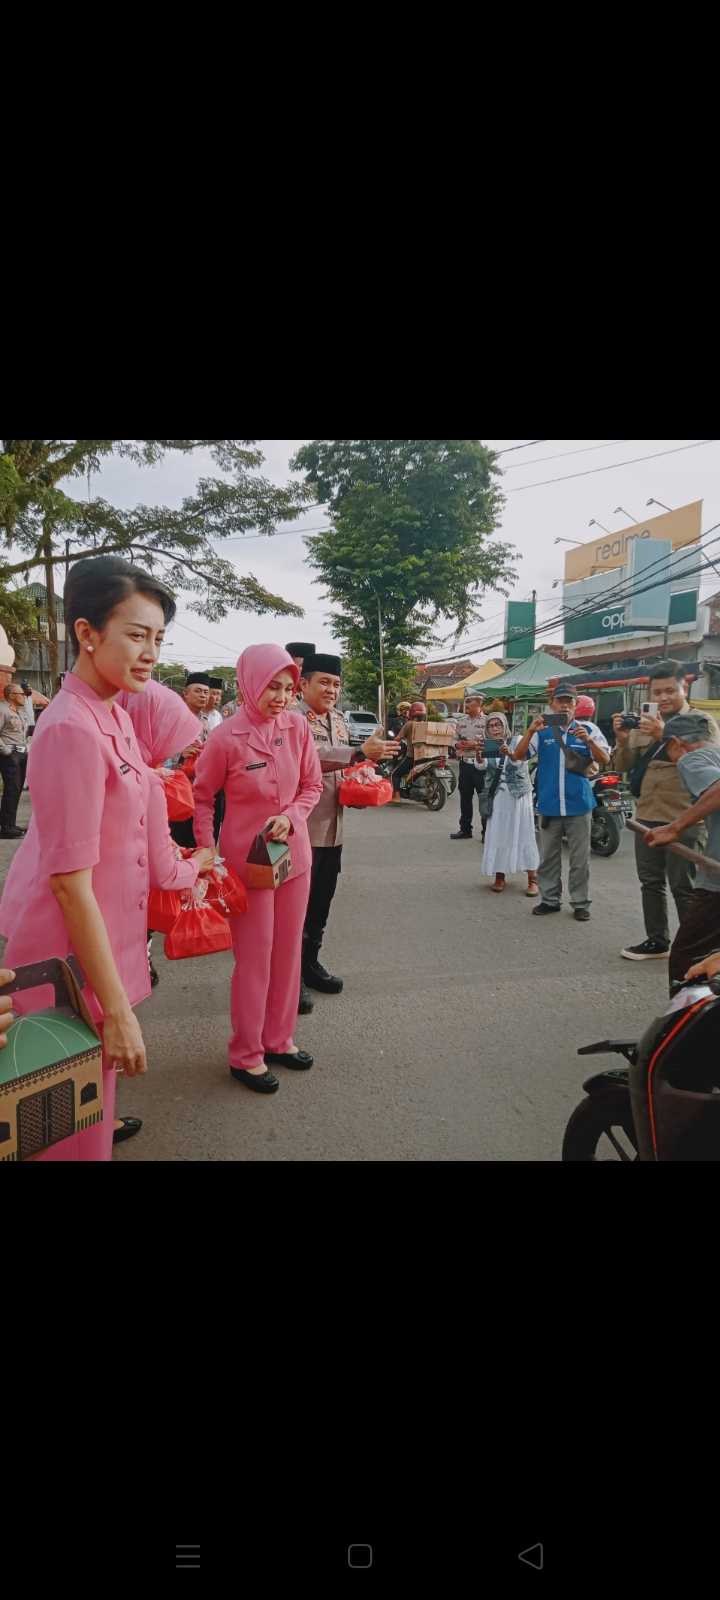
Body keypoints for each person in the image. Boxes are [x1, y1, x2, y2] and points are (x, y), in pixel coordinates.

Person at [0, 555, 214, 1161]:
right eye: (137, 635)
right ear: (87, 634)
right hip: (67, 967)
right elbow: (70, 885)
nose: (151, 653)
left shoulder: (115, 714)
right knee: (62, 1138)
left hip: (104, 958)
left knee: (88, 1124)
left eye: (158, 639)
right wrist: (116, 1011)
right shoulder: (71, 729)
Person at [192, 645, 323, 1094]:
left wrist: (294, 815)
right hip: (244, 866)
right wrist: (207, 853)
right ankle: (246, 1053)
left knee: (289, 953)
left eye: (288, 688)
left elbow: (313, 785)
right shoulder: (225, 737)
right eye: (272, 686)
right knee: (254, 960)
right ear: (249, 683)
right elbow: (202, 798)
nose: (282, 697)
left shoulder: (298, 727)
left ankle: (279, 1039)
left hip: (294, 860)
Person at [296, 654, 400, 1001]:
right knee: (296, 907)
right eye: (324, 682)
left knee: (322, 901)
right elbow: (308, 757)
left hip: (333, 827)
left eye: (337, 684)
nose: (332, 690)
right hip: (300, 827)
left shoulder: (339, 720)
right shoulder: (292, 719)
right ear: (304, 683)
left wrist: (363, 778)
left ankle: (310, 964)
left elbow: (343, 766)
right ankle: (288, 976)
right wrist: (358, 753)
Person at [612, 660, 720, 961]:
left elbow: (707, 764)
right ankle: (657, 940)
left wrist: (664, 735)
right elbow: (622, 767)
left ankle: (696, 948)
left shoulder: (701, 722)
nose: (663, 698)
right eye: (657, 692)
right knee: (650, 882)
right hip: (647, 813)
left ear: (684, 687)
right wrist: (622, 741)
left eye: (670, 690)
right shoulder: (646, 721)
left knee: (685, 887)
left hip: (684, 816)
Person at [510, 682, 610, 922]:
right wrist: (531, 731)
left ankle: (580, 903)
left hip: (579, 805)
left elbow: (605, 758)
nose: (564, 705)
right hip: (549, 804)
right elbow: (518, 756)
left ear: (576, 706)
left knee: (579, 859)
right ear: (552, 704)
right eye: (560, 701)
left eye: (570, 701)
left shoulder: (589, 729)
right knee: (549, 857)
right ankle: (550, 900)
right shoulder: (543, 731)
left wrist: (589, 741)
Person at [643, 715, 720, 986]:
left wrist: (676, 826)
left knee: (687, 958)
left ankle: (688, 1025)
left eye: (670, 754)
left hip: (716, 885)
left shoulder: (693, 758)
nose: (676, 762)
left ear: (676, 743)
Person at [479, 713, 539, 895]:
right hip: (498, 796)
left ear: (505, 725)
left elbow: (521, 760)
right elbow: (481, 766)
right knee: (499, 833)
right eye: (491, 726)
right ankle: (500, 876)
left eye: (498, 725)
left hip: (519, 796)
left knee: (525, 833)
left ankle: (532, 879)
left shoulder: (518, 740)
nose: (495, 729)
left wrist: (510, 753)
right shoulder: (487, 744)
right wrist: (477, 752)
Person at [450, 695, 488, 840]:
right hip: (465, 763)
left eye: (469, 704)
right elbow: (454, 739)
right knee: (465, 798)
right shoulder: (461, 722)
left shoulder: (487, 721)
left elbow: (494, 740)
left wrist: (475, 744)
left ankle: (487, 832)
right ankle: (465, 830)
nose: (466, 707)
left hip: (481, 765)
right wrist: (457, 744)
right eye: (466, 704)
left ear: (479, 705)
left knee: (484, 798)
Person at [0, 683, 30, 838]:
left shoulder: (19, 711)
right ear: (11, 695)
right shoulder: (2, 710)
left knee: (17, 789)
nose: (24, 696)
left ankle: (10, 824)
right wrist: (5, 750)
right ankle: (5, 827)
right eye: (21, 693)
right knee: (11, 789)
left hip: (22, 754)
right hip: (10, 755)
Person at [391, 702, 428, 801]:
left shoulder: (409, 724)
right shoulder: (427, 724)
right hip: (427, 757)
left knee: (395, 774)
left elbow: (398, 738)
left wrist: (390, 743)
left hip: (412, 757)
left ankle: (397, 796)